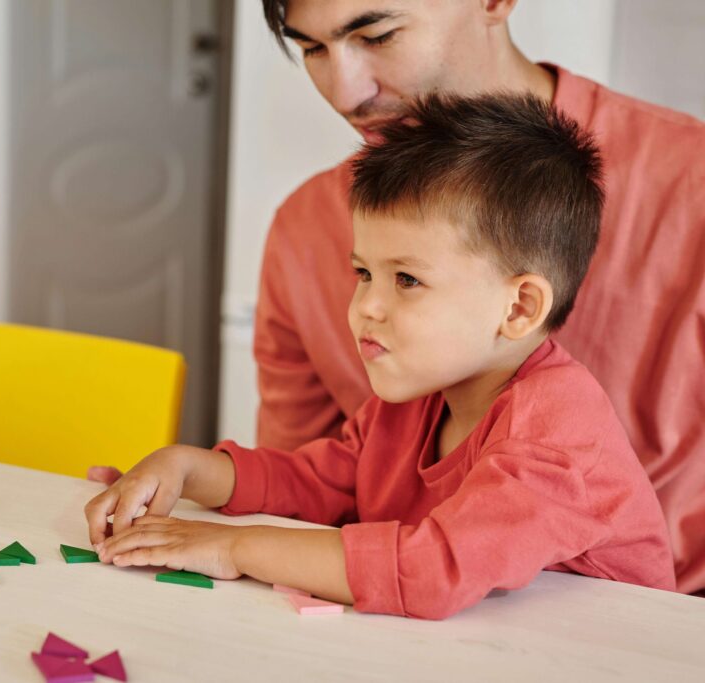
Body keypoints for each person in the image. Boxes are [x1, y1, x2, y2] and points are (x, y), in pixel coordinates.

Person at [84, 93, 675, 620]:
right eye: (364, 273)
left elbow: (434, 569)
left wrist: (231, 546)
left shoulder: (559, 437)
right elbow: (324, 483)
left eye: (408, 280)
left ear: (519, 308)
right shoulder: (419, 395)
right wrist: (190, 468)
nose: (366, 306)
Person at [250, 0, 705, 595]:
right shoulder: (303, 229)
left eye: (378, 35)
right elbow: (306, 486)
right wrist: (199, 480)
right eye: (311, 49)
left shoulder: (689, 182)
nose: (344, 92)